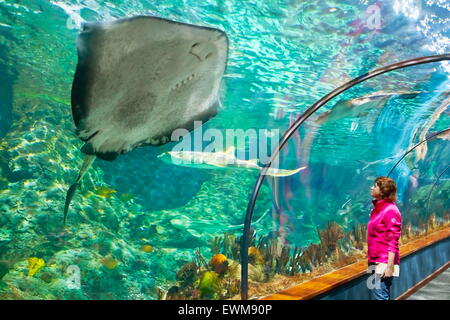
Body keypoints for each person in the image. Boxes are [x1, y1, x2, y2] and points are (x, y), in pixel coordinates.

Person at [367, 176, 402, 300]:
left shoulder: (390, 210)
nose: (372, 187)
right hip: (373, 259)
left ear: (383, 191)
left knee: (380, 296)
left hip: (383, 261)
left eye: (375, 186)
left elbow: (393, 241)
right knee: (377, 293)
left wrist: (389, 267)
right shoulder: (376, 209)